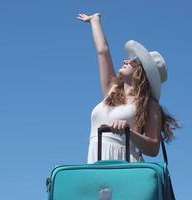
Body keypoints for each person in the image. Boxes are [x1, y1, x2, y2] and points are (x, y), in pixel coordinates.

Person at [77, 13, 181, 164]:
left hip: (127, 169)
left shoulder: (150, 105)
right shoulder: (112, 90)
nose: (125, 60)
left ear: (142, 72)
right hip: (96, 165)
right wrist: (95, 21)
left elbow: (153, 148)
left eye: (133, 61)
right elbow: (103, 52)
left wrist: (128, 131)